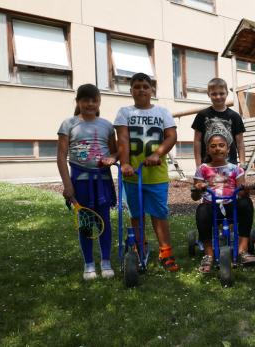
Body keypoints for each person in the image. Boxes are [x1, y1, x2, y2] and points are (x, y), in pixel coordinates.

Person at [114, 72, 179, 272]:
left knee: (159, 214)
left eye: (145, 86)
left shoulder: (162, 112)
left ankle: (165, 252)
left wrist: (158, 154)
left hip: (156, 174)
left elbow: (171, 137)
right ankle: (139, 249)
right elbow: (123, 139)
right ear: (131, 90)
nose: (141, 90)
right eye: (137, 86)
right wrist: (124, 164)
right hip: (133, 174)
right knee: (137, 213)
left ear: (152, 90)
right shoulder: (125, 112)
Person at [57, 84, 117, 280]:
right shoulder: (68, 124)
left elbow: (115, 151)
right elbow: (61, 156)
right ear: (78, 102)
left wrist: (113, 159)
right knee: (85, 223)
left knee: (104, 222)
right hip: (79, 182)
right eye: (85, 100)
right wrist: (67, 184)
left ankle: (106, 262)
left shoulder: (107, 126)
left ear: (99, 101)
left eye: (94, 100)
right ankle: (89, 264)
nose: (90, 104)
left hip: (102, 181)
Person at [191, 126, 255, 273]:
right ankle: (208, 254)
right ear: (207, 150)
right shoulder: (202, 169)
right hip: (211, 207)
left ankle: (242, 250)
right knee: (201, 210)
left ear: (228, 149)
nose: (217, 149)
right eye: (213, 146)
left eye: (221, 145)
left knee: (246, 203)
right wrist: (198, 188)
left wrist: (244, 190)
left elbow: (241, 194)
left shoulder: (236, 169)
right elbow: (195, 197)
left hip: (231, 205)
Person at [192, 77, 246, 168]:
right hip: (207, 165)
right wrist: (198, 164)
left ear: (227, 93)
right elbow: (197, 141)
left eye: (221, 93)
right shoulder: (202, 115)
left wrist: (242, 163)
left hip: (230, 165)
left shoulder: (235, 117)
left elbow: (240, 142)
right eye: (214, 94)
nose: (218, 97)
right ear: (208, 94)